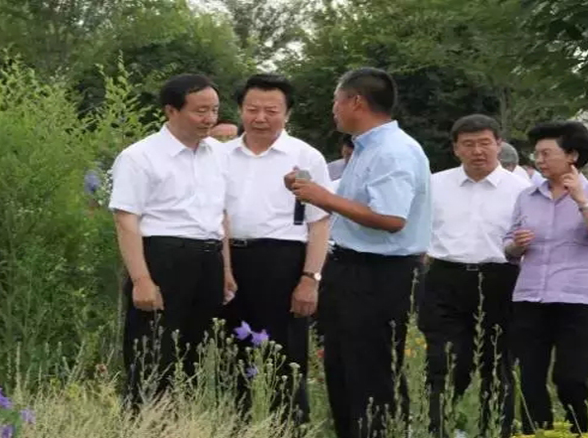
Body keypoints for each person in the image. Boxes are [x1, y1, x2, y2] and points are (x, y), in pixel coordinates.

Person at [286, 67, 431, 438]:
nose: (333, 109)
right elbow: (355, 203)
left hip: (379, 274)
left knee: (371, 375)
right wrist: (310, 189)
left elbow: (391, 218)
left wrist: (323, 198)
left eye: (336, 101)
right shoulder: (366, 148)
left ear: (356, 102)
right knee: (342, 371)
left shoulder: (393, 151)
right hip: (349, 268)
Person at [108, 74, 229, 413]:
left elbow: (222, 215)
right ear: (171, 111)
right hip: (163, 258)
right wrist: (141, 279)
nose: (209, 119)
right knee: (152, 352)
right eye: (200, 111)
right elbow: (126, 219)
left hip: (209, 258)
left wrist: (226, 270)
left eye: (214, 110)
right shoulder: (140, 156)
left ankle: (184, 423)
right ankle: (144, 423)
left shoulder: (219, 155)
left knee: (195, 353)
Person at [222, 73, 332, 423]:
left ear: (287, 113)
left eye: (271, 111)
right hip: (227, 260)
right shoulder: (219, 155)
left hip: (282, 262)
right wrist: (223, 267)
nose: (260, 118)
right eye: (252, 109)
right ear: (240, 109)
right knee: (230, 353)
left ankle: (289, 427)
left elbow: (319, 222)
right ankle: (234, 425)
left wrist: (310, 278)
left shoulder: (305, 157)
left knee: (285, 356)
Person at [505, 121, 588, 435]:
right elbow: (508, 245)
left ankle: (576, 430)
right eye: (537, 153)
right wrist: (516, 245)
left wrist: (582, 200)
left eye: (546, 153)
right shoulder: (527, 196)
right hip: (530, 297)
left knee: (572, 378)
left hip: (576, 299)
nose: (539, 160)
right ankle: (536, 432)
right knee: (530, 377)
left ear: (572, 155)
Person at [421, 115, 530, 438]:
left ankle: (496, 430)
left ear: (499, 144)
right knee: (444, 362)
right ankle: (436, 429)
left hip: (500, 279)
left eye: (485, 143)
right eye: (468, 144)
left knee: (498, 367)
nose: (477, 151)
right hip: (445, 278)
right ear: (456, 149)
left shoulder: (522, 190)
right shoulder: (435, 184)